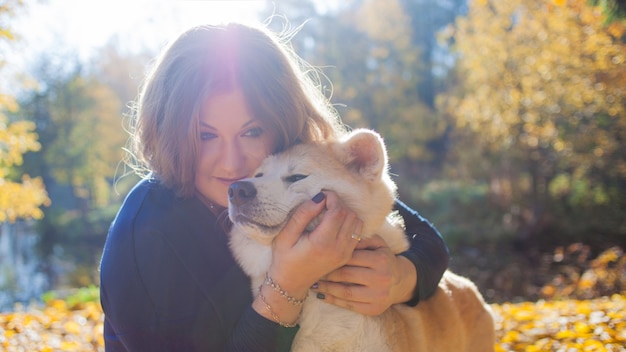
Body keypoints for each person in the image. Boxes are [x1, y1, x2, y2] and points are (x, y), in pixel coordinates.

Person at [99, 21, 449, 351]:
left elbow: (427, 240)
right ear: (172, 136)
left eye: (251, 132)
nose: (232, 163)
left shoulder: (290, 174)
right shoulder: (144, 239)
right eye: (206, 136)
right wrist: (287, 285)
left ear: (284, 123)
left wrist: (401, 279)